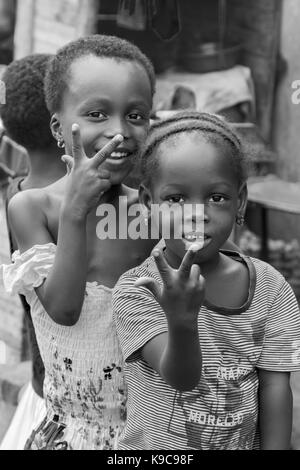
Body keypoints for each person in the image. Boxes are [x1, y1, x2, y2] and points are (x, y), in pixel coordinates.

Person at [1, 35, 157, 450]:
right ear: (58, 126)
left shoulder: (149, 214)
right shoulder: (32, 208)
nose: (119, 131)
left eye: (137, 115)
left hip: (148, 433)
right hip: (72, 433)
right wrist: (75, 211)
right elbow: (64, 310)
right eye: (96, 113)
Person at [112, 111, 300, 450]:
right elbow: (181, 378)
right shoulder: (137, 290)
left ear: (239, 202)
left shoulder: (271, 288)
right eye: (176, 199)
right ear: (148, 203)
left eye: (216, 198)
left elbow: (275, 387)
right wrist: (182, 320)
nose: (196, 213)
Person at [0, 53, 67, 450]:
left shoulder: (18, 194)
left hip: (44, 388)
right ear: (62, 122)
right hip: (73, 395)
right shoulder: (69, 205)